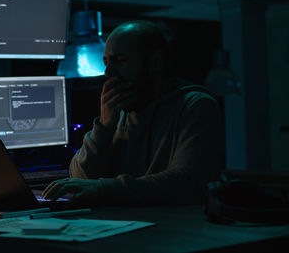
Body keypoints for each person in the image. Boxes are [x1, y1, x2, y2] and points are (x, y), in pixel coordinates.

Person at [42, 20, 224, 205]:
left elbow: (188, 182)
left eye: (120, 61)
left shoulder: (196, 106)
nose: (108, 72)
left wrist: (105, 188)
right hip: (124, 226)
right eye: (106, 62)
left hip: (176, 229)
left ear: (156, 62)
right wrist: (104, 127)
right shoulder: (121, 112)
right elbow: (80, 178)